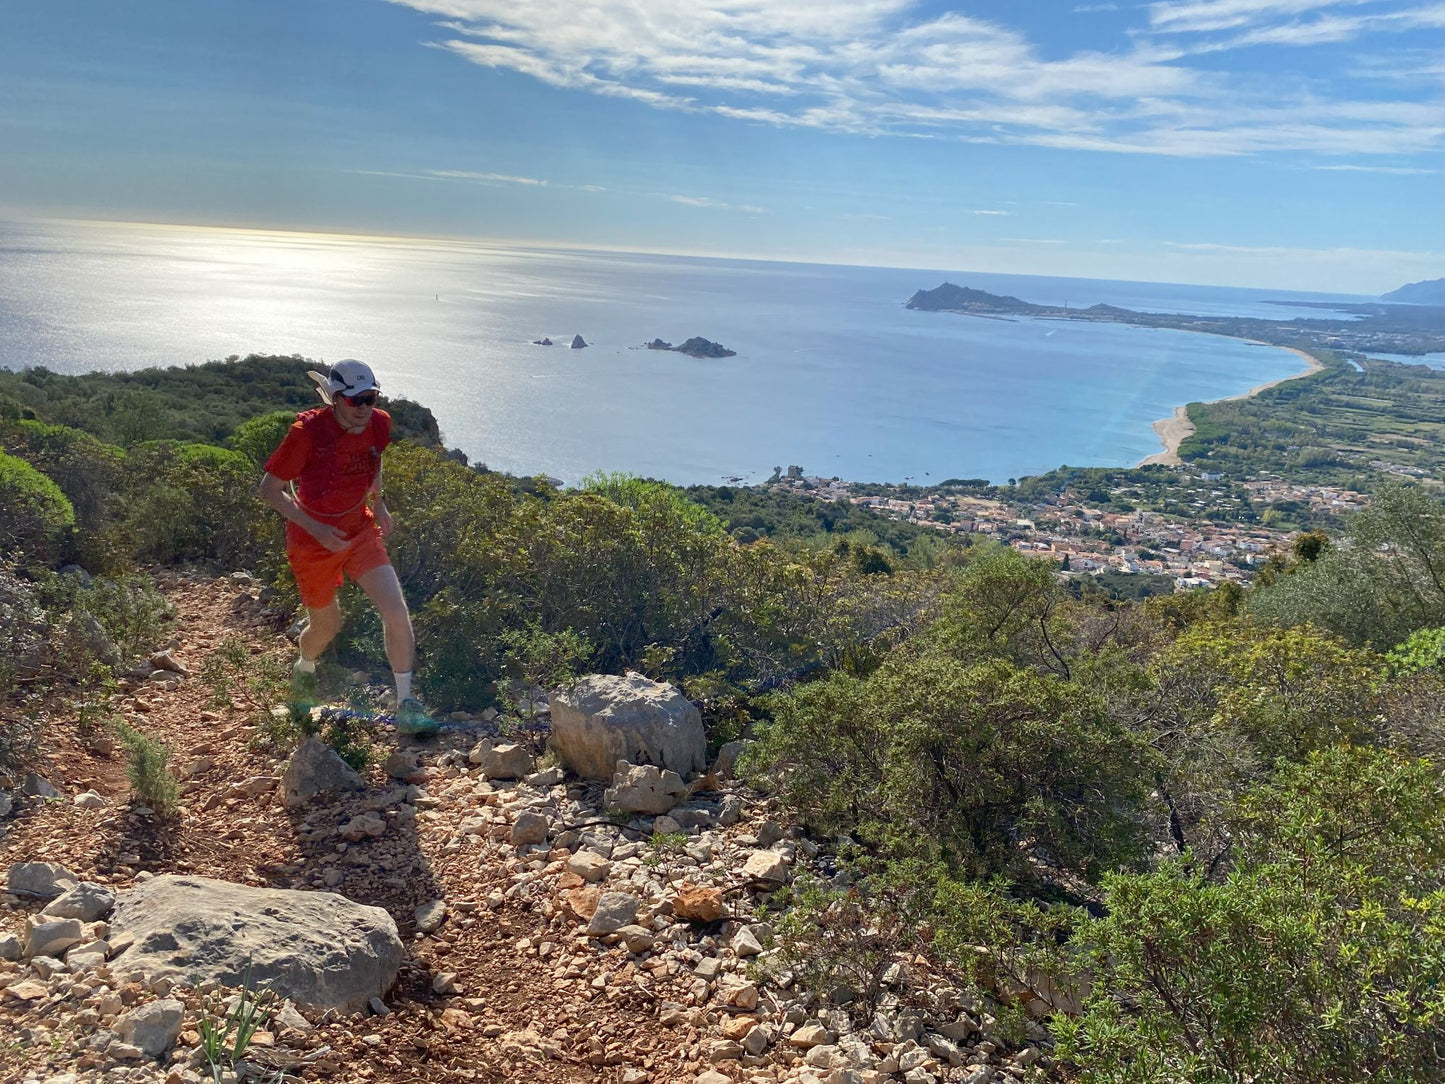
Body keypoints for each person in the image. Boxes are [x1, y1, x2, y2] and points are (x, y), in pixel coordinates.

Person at [259, 359, 436, 735]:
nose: (365, 407)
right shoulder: (306, 433)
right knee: (327, 626)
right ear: (335, 399)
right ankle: (305, 667)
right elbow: (270, 491)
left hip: (360, 532)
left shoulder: (378, 423)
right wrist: (318, 529)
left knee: (397, 611)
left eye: (371, 398)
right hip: (312, 542)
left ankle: (407, 703)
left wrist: (381, 502)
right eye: (356, 401)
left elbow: (375, 459)